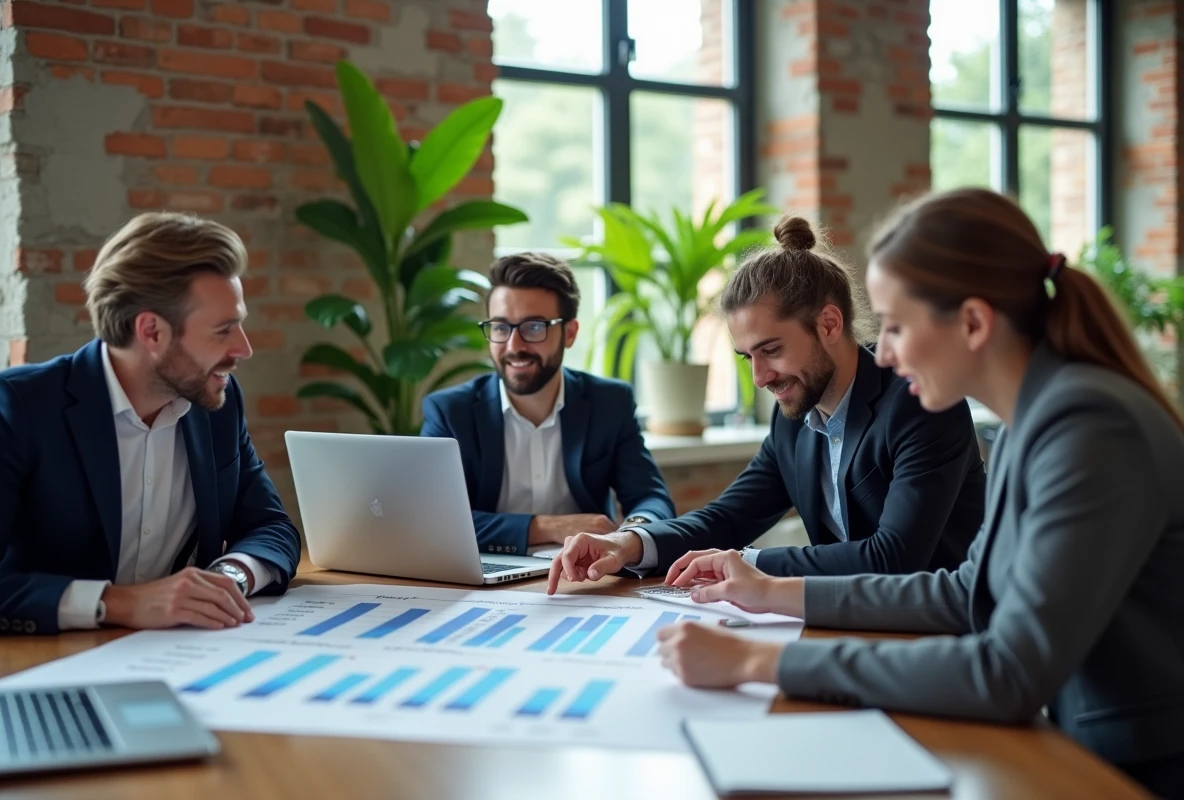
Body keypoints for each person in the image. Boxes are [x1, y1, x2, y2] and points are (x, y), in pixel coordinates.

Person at [656, 188, 1184, 798]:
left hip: (1139, 769)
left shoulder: (1089, 427)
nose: (884, 351)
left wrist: (755, 662)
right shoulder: (1034, 422)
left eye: (897, 326)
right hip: (1083, 745)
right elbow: (966, 592)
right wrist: (771, 591)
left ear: (973, 323)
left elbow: (1008, 671)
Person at [547, 215, 986, 594]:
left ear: (829, 324)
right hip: (849, 619)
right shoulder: (793, 417)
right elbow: (729, 517)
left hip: (944, 630)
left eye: (771, 350)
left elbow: (895, 558)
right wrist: (629, 543)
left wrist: (746, 563)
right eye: (748, 357)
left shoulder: (920, 401)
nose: (760, 378)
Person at [0, 212, 302, 636]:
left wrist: (229, 578)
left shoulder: (217, 405)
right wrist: (119, 603)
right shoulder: (15, 407)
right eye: (224, 330)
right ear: (151, 331)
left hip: (181, 652)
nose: (243, 349)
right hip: (42, 658)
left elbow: (272, 527)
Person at [420, 252, 675, 556]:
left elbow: (652, 499)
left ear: (569, 333)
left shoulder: (609, 402)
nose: (514, 346)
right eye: (500, 327)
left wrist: (629, 534)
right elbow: (434, 518)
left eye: (534, 327)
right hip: (485, 571)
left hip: (585, 571)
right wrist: (545, 527)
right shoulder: (451, 412)